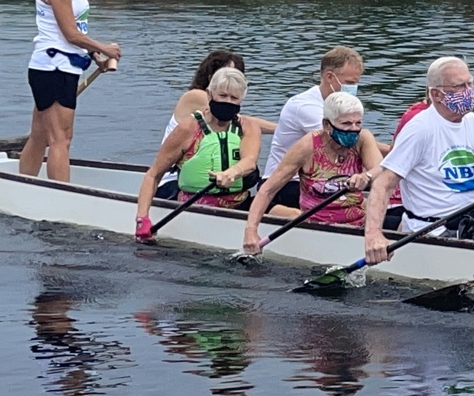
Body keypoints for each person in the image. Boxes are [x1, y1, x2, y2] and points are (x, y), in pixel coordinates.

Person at [362, 56, 474, 261]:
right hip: (431, 230)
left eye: (470, 83)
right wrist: (374, 236)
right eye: (460, 86)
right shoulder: (419, 129)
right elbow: (383, 184)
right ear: (437, 94)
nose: (469, 91)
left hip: (471, 220)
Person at [19, 0, 121, 183]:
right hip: (54, 67)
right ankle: (61, 197)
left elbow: (76, 31)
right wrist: (103, 48)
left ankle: (22, 185)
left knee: (40, 134)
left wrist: (93, 56)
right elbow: (70, 34)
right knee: (61, 139)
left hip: (61, 66)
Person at [241, 91, 382, 253]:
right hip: (316, 226)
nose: (353, 129)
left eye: (358, 123)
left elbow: (381, 169)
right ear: (326, 125)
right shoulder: (307, 146)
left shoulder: (363, 139)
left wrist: (367, 176)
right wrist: (251, 231)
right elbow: (267, 190)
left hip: (359, 223)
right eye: (346, 124)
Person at [132, 66, 263, 235]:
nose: (228, 102)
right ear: (209, 94)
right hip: (192, 208)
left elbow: (250, 161)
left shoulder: (248, 127)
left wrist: (232, 173)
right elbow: (153, 175)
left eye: (234, 98)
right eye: (222, 95)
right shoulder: (188, 128)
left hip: (239, 206)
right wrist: (142, 218)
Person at [262, 46, 366, 206]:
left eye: (356, 83)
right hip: (286, 184)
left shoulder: (340, 107)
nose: (353, 89)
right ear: (329, 77)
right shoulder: (306, 106)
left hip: (322, 178)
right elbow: (350, 141)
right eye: (350, 83)